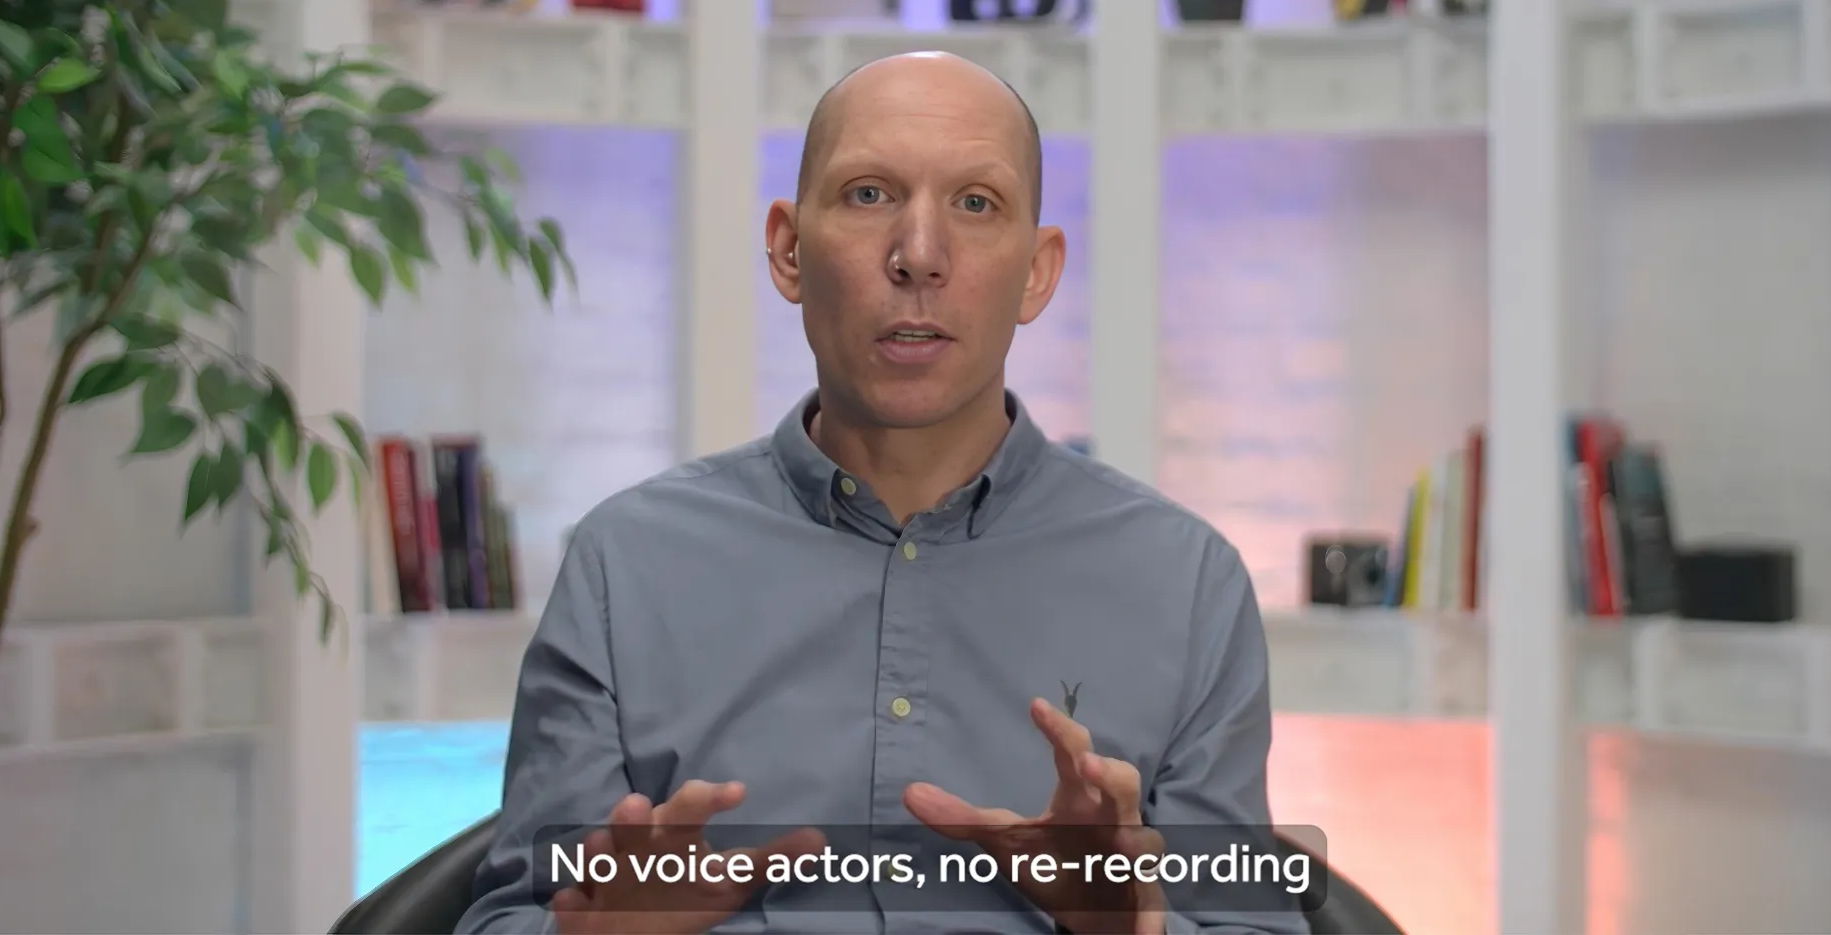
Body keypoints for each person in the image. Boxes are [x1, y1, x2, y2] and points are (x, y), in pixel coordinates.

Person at [455, 52, 1307, 935]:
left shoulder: (1186, 583)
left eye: (976, 205)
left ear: (1038, 272)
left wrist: (1130, 928)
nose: (920, 256)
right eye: (869, 194)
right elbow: (504, 919)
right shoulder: (623, 567)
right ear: (788, 250)